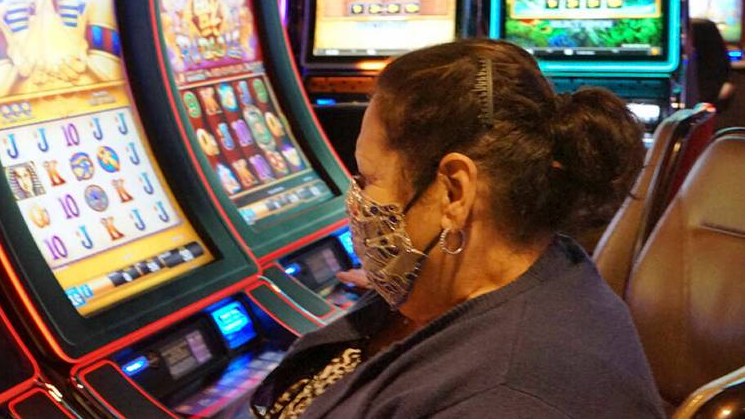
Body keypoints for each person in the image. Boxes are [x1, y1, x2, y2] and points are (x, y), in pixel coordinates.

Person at [251, 39, 664, 418]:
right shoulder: (531, 270)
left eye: (368, 178)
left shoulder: (506, 397)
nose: (356, 200)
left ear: (454, 193)